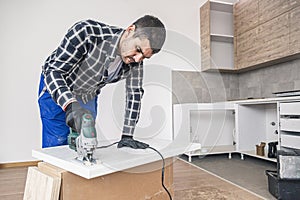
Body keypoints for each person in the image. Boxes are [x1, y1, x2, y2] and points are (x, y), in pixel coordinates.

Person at [38, 15, 166, 149]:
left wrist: (127, 135)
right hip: (57, 85)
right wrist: (69, 104)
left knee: (86, 142)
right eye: (138, 50)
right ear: (130, 30)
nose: (138, 59)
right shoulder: (87, 32)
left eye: (144, 57)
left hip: (87, 94)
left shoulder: (135, 61)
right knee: (57, 143)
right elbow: (54, 71)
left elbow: (134, 95)